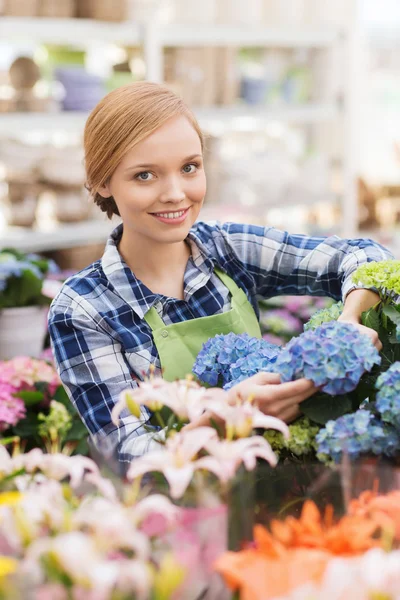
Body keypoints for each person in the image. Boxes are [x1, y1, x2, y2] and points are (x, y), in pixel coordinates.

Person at [48, 82, 390, 463]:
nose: (176, 193)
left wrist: (349, 322)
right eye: (145, 175)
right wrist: (227, 418)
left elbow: (365, 256)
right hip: (180, 510)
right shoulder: (83, 307)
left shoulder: (228, 249)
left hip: (273, 487)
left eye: (189, 167)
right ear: (101, 181)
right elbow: (128, 453)